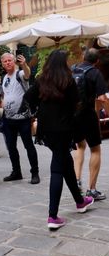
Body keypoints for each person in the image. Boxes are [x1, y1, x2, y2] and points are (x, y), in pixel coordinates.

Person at [23, 50, 94, 230]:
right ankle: (52, 216)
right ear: (63, 63)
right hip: (63, 128)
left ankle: (80, 201)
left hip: (46, 129)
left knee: (65, 163)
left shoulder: (42, 80)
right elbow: (76, 105)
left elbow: (27, 98)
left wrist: (38, 111)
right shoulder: (68, 81)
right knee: (57, 168)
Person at [73, 47, 108, 201]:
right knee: (95, 150)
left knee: (80, 146)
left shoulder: (73, 70)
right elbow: (102, 98)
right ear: (97, 61)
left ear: (83, 56)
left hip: (74, 115)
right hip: (88, 114)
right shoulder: (95, 73)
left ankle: (76, 180)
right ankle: (91, 189)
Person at [0, 52, 40, 184]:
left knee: (28, 145)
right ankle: (16, 171)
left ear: (14, 62)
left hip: (23, 118)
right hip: (9, 119)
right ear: (2, 64)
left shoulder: (20, 74)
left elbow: (27, 74)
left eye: (10, 60)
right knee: (11, 146)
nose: (8, 63)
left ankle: (35, 173)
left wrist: (24, 65)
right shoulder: (4, 77)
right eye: (5, 61)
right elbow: (5, 95)